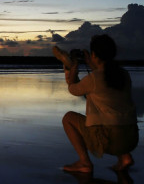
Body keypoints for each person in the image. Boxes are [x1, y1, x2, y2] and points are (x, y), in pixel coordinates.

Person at [53, 34, 138, 173]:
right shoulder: (124, 75)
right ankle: (125, 157)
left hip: (110, 141)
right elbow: (104, 85)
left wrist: (72, 70)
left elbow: (73, 89)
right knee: (113, 115)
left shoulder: (93, 79)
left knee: (68, 118)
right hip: (131, 138)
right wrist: (92, 64)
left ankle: (84, 163)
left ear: (94, 55)